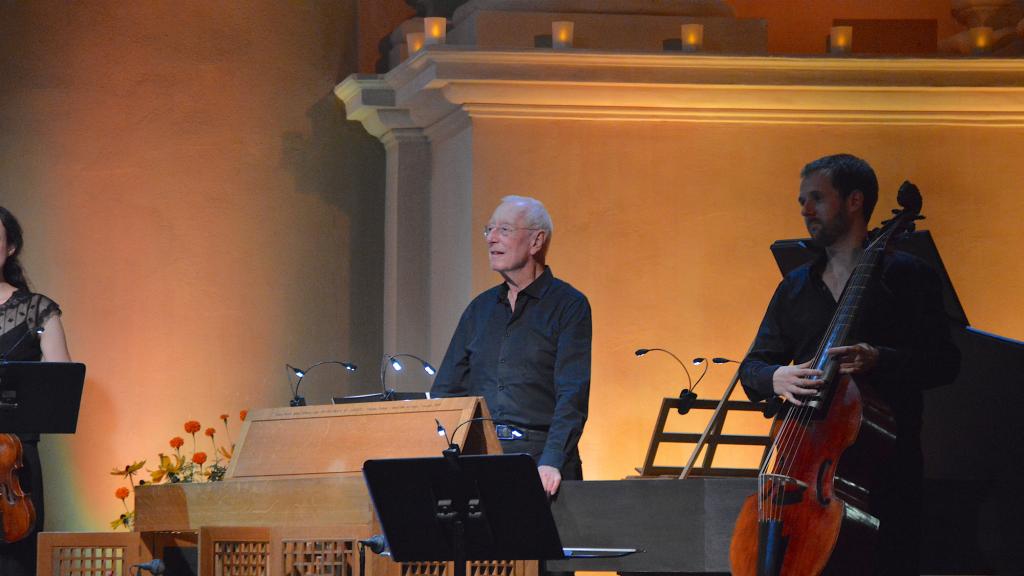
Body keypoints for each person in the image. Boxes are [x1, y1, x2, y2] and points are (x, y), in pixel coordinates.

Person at [738, 154, 960, 576]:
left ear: (855, 201)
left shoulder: (910, 277)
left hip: (885, 481)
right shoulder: (796, 286)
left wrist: (880, 358)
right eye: (803, 200)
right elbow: (753, 366)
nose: (805, 210)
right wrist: (777, 377)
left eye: (817, 199)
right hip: (800, 473)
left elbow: (946, 363)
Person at [430, 195, 591, 497]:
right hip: (481, 455)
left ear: (536, 241)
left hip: (540, 457)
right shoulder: (479, 309)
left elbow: (573, 394)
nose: (491, 239)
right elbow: (446, 391)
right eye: (488, 230)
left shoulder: (569, 306)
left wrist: (552, 461)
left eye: (504, 230)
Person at [0, 206, 72, 576]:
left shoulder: (37, 310)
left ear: (10, 247)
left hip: (13, 461)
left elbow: (58, 382)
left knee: (15, 563)